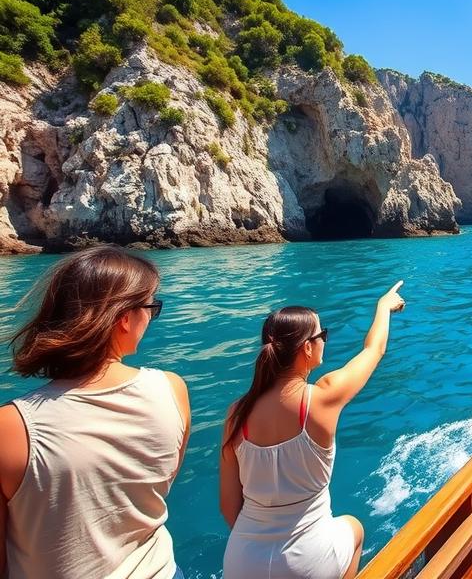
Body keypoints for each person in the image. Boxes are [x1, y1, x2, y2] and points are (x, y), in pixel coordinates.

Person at [0, 246, 191, 579]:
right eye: (151, 307)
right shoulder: (172, 391)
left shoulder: (12, 427)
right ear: (123, 318)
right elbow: (161, 480)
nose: (151, 317)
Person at [220, 281, 405, 579]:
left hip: (242, 559)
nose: (324, 341)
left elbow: (229, 506)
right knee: (354, 528)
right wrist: (384, 306)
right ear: (307, 347)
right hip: (307, 560)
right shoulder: (322, 398)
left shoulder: (236, 414)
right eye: (323, 335)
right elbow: (375, 349)